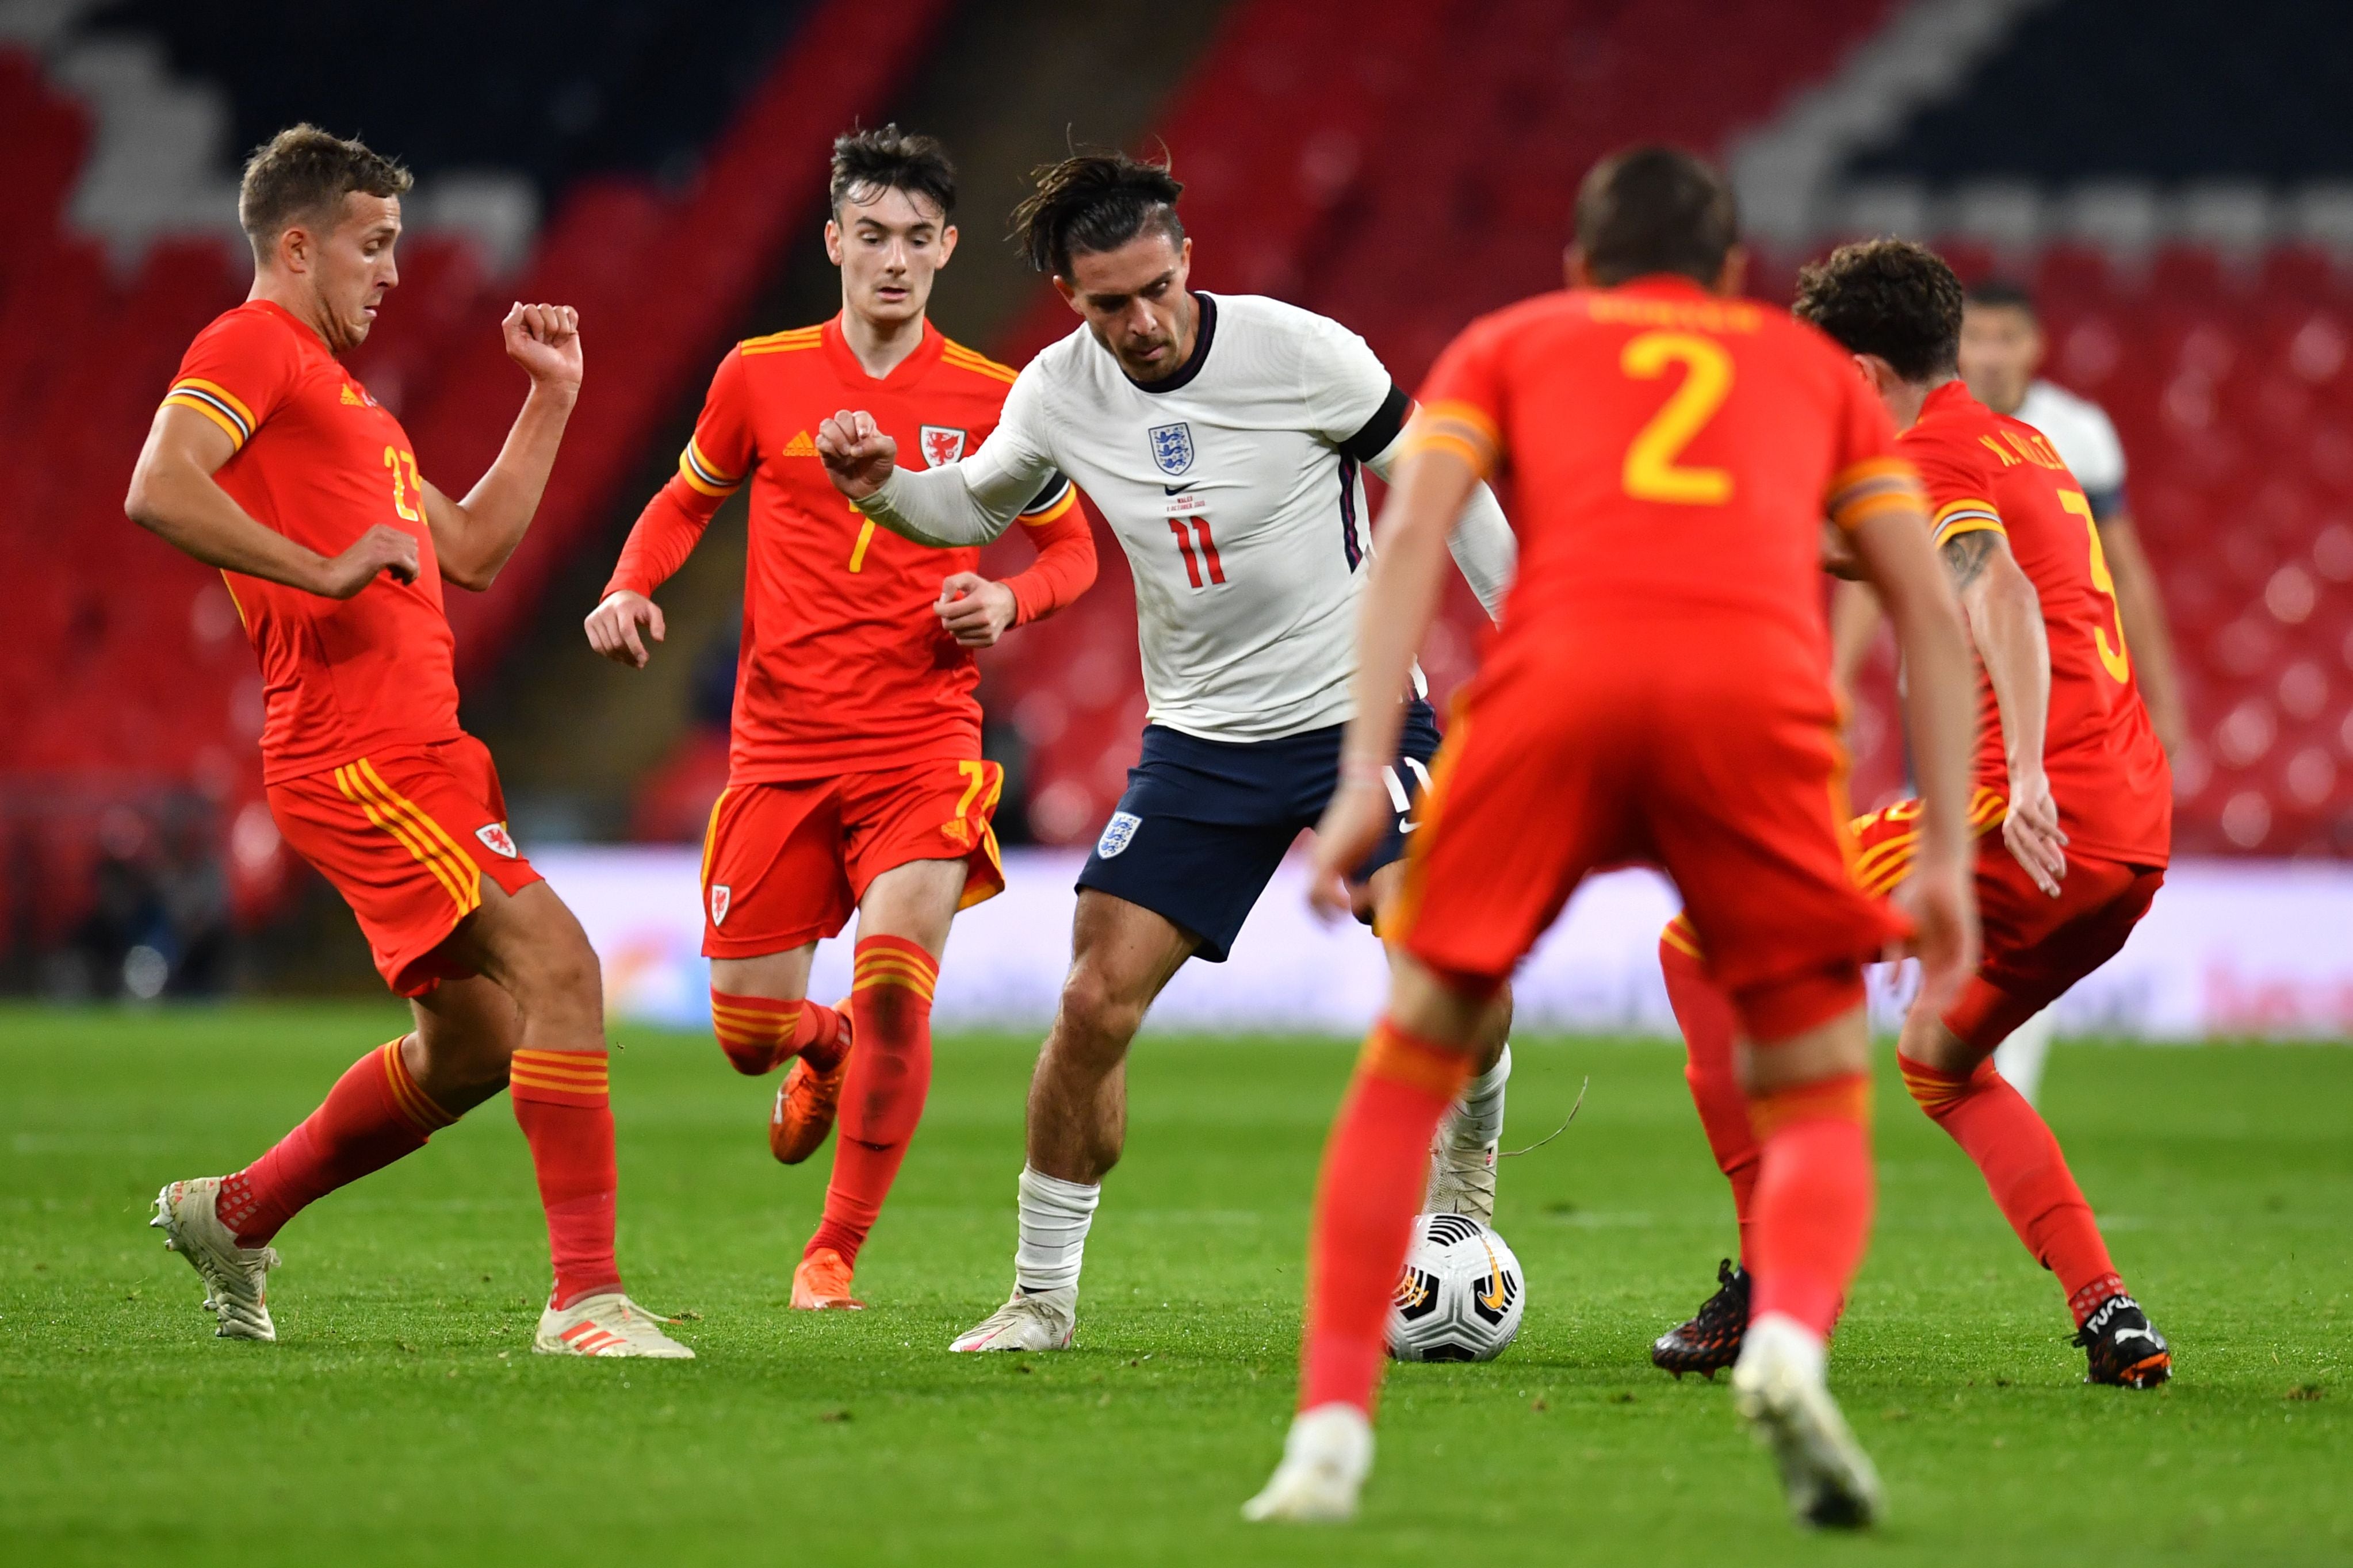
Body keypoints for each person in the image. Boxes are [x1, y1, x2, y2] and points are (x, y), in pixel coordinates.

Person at [1243, 148, 1979, 1528]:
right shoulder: (1815, 374)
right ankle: (1789, 1345)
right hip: (1749, 711)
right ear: (1736, 276)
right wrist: (1941, 859)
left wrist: (1359, 775)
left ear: (1581, 267)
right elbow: (1929, 611)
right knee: (1817, 1082)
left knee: (1413, 1066)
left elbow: (1413, 541)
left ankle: (1331, 1434)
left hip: (1556, 696)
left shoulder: (1511, 341)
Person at [814, 151, 1524, 1356]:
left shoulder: (1306, 352)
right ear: (1067, 293)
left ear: (1187, 260)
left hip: (1361, 714)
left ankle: (1465, 1180)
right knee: (1091, 1002)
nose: (1139, 321)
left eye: (1155, 288)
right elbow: (976, 506)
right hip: (1201, 741)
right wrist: (885, 490)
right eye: (1108, 302)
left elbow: (1447, 489)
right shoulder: (1055, 391)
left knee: (1444, 950)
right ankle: (1040, 1297)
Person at [129, 125, 687, 1357]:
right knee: (562, 964)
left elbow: (474, 549)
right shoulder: (248, 346)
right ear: (295, 243)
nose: (393, 272)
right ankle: (585, 1300)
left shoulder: (354, 410)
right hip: (359, 742)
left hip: (418, 740)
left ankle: (235, 1212)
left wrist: (553, 398)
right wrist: (321, 570)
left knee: (482, 1040)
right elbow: (160, 484)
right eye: (372, 247)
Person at [584, 128, 1096, 1312]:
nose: (895, 260)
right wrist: (627, 586)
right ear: (834, 243)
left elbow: (1072, 553)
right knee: (746, 1032)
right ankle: (813, 1048)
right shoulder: (760, 373)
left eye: (918, 239)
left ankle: (834, 1253)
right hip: (780, 749)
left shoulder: (992, 399)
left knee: (896, 989)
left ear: (948, 249)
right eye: (872, 236)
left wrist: (1006, 598)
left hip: (921, 742)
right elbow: (683, 499)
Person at [1650, 241, 2174, 1394]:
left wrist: (2027, 769)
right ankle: (2110, 1309)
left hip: (2019, 812)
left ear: (1870, 374)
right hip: (2131, 842)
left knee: (1694, 945)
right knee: (1942, 1061)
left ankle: (1770, 1273)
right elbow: (1894, 552)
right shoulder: (2014, 441)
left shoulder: (1931, 454)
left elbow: (1997, 589)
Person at [1829, 277, 2184, 1104]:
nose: (1991, 354)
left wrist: (2157, 689)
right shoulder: (1938, 436)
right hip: (1953, 702)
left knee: (2011, 880)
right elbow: (1873, 565)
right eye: (1977, 339)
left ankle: (1979, 1070)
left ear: (2034, 347)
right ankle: (1951, 1053)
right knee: (1962, 883)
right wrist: (1836, 683)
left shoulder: (2071, 433)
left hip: (2054, 715)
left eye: (2007, 339)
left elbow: (2112, 570)